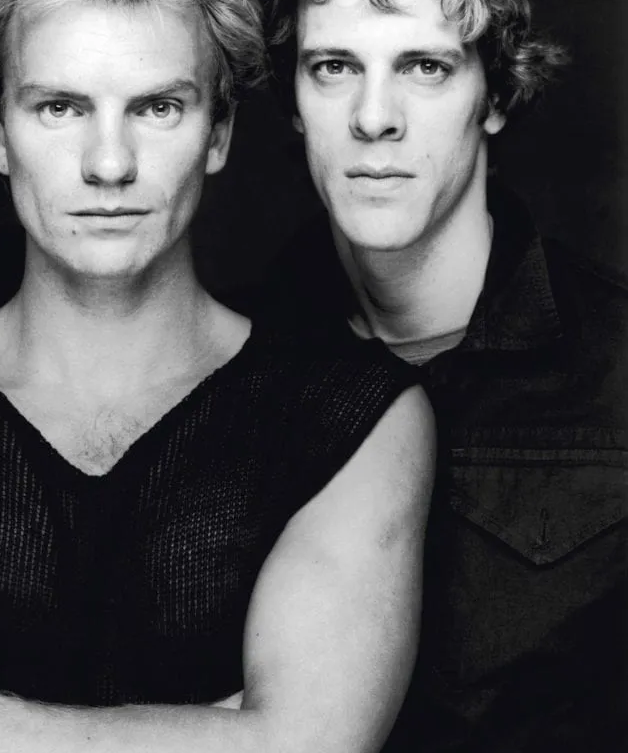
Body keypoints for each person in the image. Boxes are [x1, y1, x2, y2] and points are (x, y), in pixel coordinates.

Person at [0, 1, 436, 751]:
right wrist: (228, 732)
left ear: (217, 132)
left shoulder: (356, 412)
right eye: (59, 107)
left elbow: (310, 747)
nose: (108, 163)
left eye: (157, 107)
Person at [246, 0, 627, 749]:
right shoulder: (223, 365)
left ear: (495, 94)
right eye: (334, 68)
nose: (374, 117)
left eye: (425, 67)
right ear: (293, 101)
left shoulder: (618, 372)